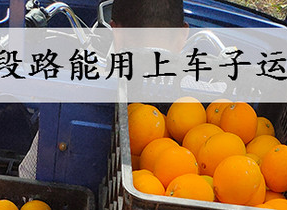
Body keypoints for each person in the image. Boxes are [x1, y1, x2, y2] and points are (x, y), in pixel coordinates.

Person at [18, 0, 186, 178]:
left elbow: (28, 175)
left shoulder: (77, 99)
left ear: (115, 32)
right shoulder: (196, 107)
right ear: (184, 34)